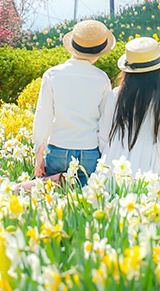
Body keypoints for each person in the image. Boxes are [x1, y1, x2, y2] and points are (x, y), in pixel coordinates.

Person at [31, 19, 115, 188]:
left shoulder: (52, 75)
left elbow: (43, 116)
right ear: (98, 54)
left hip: (58, 148)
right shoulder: (102, 79)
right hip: (89, 151)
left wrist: (39, 153)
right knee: (85, 200)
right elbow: (106, 121)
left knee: (55, 197)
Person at [98, 37, 160, 179]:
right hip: (149, 169)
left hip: (113, 167)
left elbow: (104, 136)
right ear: (158, 70)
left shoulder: (115, 95)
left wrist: (110, 155)